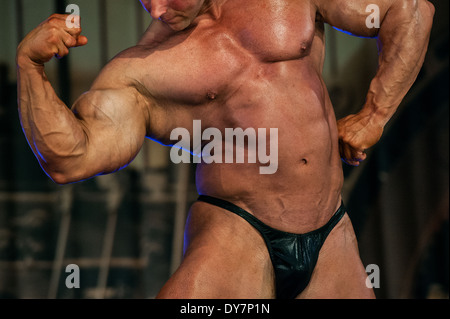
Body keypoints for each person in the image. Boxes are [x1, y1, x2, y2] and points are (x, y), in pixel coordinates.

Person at [16, 0, 434, 299]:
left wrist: (375, 114)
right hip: (236, 234)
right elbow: (70, 159)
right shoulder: (140, 72)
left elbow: (410, 11)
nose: (158, 10)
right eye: (146, 1)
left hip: (331, 236)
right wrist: (29, 68)